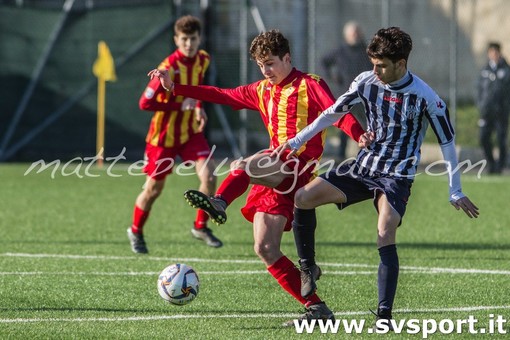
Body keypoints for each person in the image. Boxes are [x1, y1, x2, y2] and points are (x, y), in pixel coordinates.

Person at [148, 29, 371, 325]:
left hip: (297, 170)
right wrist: (176, 87)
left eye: (271, 63)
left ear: (287, 58)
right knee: (265, 248)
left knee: (246, 164)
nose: (266, 71)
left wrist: (358, 135)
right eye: (261, 65)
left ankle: (219, 202)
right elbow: (221, 95)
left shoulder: (309, 85)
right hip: (274, 170)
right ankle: (317, 309)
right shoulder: (262, 90)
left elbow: (338, 113)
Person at [273, 27, 479, 327]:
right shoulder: (366, 82)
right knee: (303, 197)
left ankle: (384, 316)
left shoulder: (426, 97)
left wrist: (455, 190)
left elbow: (447, 141)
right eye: (373, 63)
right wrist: (294, 142)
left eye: (381, 65)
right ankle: (308, 268)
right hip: (363, 168)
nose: (375, 70)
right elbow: (331, 113)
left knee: (385, 229)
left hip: (397, 176)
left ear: (401, 64)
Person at [127, 15, 222, 254]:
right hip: (164, 137)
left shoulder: (203, 59)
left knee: (210, 177)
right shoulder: (166, 68)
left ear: (200, 38)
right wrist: (179, 106)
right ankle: (135, 231)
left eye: (193, 38)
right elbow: (143, 104)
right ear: (176, 40)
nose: (189, 44)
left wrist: (198, 108)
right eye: (184, 39)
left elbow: (196, 91)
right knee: (153, 190)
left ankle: (200, 226)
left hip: (190, 132)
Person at [321, 21, 372, 160]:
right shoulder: (340, 52)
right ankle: (340, 156)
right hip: (346, 94)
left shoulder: (367, 51)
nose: (355, 35)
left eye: (357, 32)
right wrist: (332, 77)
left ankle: (366, 154)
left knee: (366, 125)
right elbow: (324, 62)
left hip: (364, 95)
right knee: (345, 125)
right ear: (347, 35)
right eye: (352, 33)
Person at [476, 42, 510, 174]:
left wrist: (505, 106)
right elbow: (479, 89)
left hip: (501, 112)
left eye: (496, 52)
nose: (494, 54)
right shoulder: (485, 70)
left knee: (501, 139)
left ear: (499, 53)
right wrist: (481, 105)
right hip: (486, 112)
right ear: (488, 54)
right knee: (483, 137)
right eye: (491, 52)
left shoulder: (506, 70)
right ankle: (491, 163)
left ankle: (499, 167)